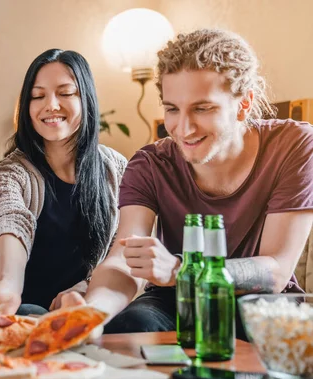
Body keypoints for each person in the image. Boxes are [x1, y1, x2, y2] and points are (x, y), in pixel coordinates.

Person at [61, 29, 313, 339]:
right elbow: (125, 258)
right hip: (176, 297)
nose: (184, 128)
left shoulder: (293, 144)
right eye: (172, 109)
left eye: (202, 108)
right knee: (130, 327)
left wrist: (182, 271)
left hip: (259, 300)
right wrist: (92, 312)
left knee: (266, 333)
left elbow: (276, 271)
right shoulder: (151, 164)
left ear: (244, 103)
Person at [0, 49, 127, 316]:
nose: (51, 105)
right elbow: (10, 220)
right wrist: (9, 284)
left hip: (89, 306)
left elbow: (124, 249)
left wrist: (86, 288)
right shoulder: (11, 172)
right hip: (20, 310)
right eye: (38, 96)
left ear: (86, 97)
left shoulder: (115, 168)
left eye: (65, 93)